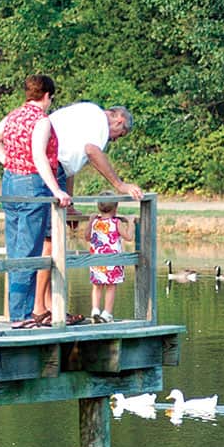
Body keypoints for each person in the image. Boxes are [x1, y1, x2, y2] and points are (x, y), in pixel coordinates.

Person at [31, 102, 145, 319]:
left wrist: (70, 205)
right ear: (119, 120)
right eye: (120, 134)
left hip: (53, 167)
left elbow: (70, 165)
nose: (115, 139)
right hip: (48, 168)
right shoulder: (100, 123)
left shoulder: (87, 115)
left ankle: (48, 307)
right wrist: (120, 185)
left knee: (50, 241)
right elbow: (91, 151)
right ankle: (39, 308)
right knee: (49, 242)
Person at [0, 74, 71, 328]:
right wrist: (57, 190)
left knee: (15, 248)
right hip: (32, 184)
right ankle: (21, 316)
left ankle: (18, 312)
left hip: (10, 182)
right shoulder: (41, 121)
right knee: (29, 250)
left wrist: (10, 163)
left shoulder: (14, 116)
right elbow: (39, 156)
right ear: (47, 96)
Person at [85, 191, 135, 323]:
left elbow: (87, 237)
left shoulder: (95, 222)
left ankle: (95, 310)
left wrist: (90, 221)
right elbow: (129, 237)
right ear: (116, 208)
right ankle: (106, 313)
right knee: (111, 287)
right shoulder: (116, 222)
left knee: (97, 286)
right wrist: (130, 223)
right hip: (113, 260)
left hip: (96, 259)